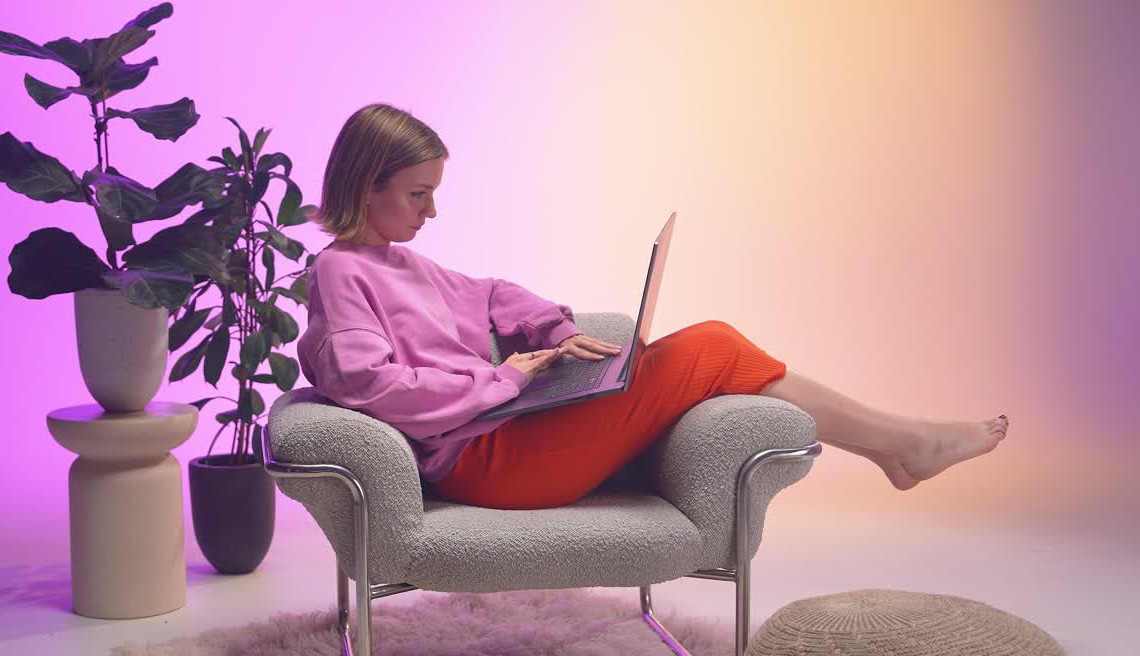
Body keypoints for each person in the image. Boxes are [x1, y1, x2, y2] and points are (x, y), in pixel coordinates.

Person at [296, 102, 1009, 511]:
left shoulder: (402, 262)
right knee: (715, 347)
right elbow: (373, 388)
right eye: (418, 194)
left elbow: (490, 294)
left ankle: (902, 446)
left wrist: (558, 330)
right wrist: (506, 380)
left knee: (680, 353)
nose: (432, 209)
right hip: (487, 462)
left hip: (505, 433)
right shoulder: (340, 272)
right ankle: (905, 445)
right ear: (367, 188)